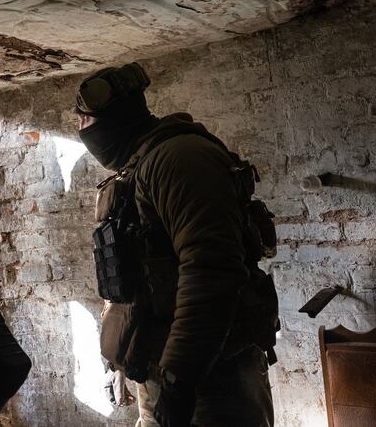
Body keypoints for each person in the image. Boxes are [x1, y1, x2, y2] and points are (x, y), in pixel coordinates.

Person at [76, 62, 279, 427]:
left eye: (86, 120)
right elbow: (138, 282)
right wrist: (125, 361)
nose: (81, 129)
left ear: (116, 117)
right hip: (162, 371)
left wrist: (180, 379)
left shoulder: (178, 159)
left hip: (210, 380)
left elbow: (211, 273)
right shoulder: (140, 167)